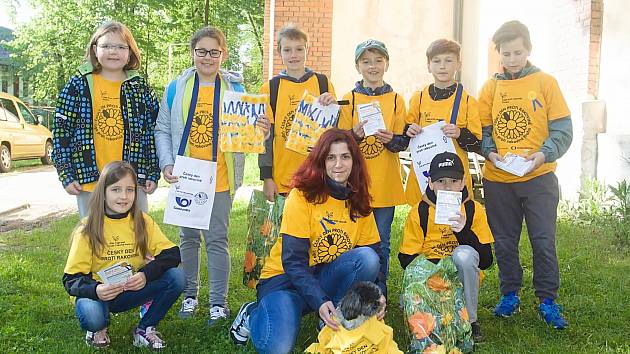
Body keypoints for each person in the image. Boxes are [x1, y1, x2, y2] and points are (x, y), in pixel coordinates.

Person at [230, 128, 385, 354]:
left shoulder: (357, 199)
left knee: (367, 259)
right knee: (279, 348)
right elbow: (293, 261)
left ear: (355, 161)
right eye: (331, 157)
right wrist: (320, 300)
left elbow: (376, 255)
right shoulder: (303, 195)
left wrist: (379, 295)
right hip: (284, 282)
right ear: (321, 161)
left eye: (345, 157)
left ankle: (334, 318)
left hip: (323, 276)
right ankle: (252, 313)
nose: (338, 165)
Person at [154, 26, 270, 324]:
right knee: (188, 238)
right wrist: (167, 163)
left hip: (219, 177)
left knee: (217, 239)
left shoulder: (236, 91)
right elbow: (163, 129)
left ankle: (218, 303)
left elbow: (248, 133)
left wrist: (260, 130)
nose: (207, 57)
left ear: (223, 54)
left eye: (213, 52)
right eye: (201, 51)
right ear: (192, 53)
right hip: (186, 176)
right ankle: (190, 296)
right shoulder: (176, 88)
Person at [478, 20, 573, 329]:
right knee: (504, 242)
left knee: (543, 241)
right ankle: (510, 294)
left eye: (518, 52)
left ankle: (547, 300)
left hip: (539, 177)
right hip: (499, 180)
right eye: (506, 54)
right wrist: (489, 152)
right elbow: (483, 130)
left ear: (528, 50)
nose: (512, 59)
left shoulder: (546, 82)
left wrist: (542, 155)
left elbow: (563, 130)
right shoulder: (490, 87)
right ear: (499, 55)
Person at [62, 161, 184, 350]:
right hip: (100, 294)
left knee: (177, 277)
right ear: (103, 192)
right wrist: (96, 290)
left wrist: (145, 274)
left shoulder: (142, 221)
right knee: (93, 316)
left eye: (130, 190)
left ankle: (145, 328)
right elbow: (71, 280)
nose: (124, 196)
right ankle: (98, 328)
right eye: (116, 189)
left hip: (130, 289)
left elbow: (172, 254)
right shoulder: (87, 228)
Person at [53, 21, 160, 218]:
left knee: (136, 236)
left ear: (130, 52)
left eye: (121, 47)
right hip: (90, 179)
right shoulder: (78, 85)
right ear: (95, 48)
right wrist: (66, 174)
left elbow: (152, 132)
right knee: (94, 238)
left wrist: (152, 172)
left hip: (132, 182)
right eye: (106, 46)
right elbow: (61, 132)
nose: (113, 52)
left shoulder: (140, 88)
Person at [398, 152, 494, 342]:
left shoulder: (473, 209)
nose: (447, 187)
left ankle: (471, 321)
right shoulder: (420, 210)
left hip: (461, 277)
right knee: (418, 312)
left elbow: (486, 261)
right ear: (431, 183)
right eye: (440, 181)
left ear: (463, 182)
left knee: (464, 254)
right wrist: (438, 270)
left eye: (453, 180)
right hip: (430, 275)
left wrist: (463, 231)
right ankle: (434, 312)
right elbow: (405, 258)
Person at [338, 39, 408, 287]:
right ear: (358, 66)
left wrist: (391, 140)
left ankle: (379, 293)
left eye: (378, 60)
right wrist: (353, 136)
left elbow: (403, 142)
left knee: (382, 241)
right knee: (353, 241)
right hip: (355, 184)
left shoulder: (397, 99)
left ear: (386, 64)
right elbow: (339, 144)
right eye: (366, 61)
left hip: (385, 184)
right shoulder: (349, 99)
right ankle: (354, 293)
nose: (373, 66)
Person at [258, 23, 337, 202]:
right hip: (284, 178)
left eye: (299, 49)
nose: (293, 55)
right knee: (286, 229)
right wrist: (267, 177)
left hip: (319, 175)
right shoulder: (270, 88)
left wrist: (332, 106)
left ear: (307, 50)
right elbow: (265, 139)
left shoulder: (323, 83)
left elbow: (335, 133)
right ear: (279, 53)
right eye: (287, 50)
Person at [405, 39, 482, 206]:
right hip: (423, 174)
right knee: (422, 221)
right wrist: (410, 130)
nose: (442, 66)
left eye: (448, 61)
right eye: (436, 61)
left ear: (458, 65)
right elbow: (405, 134)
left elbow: (477, 144)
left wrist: (460, 133)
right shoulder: (418, 98)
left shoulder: (468, 101)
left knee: (454, 224)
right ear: (428, 66)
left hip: (453, 178)